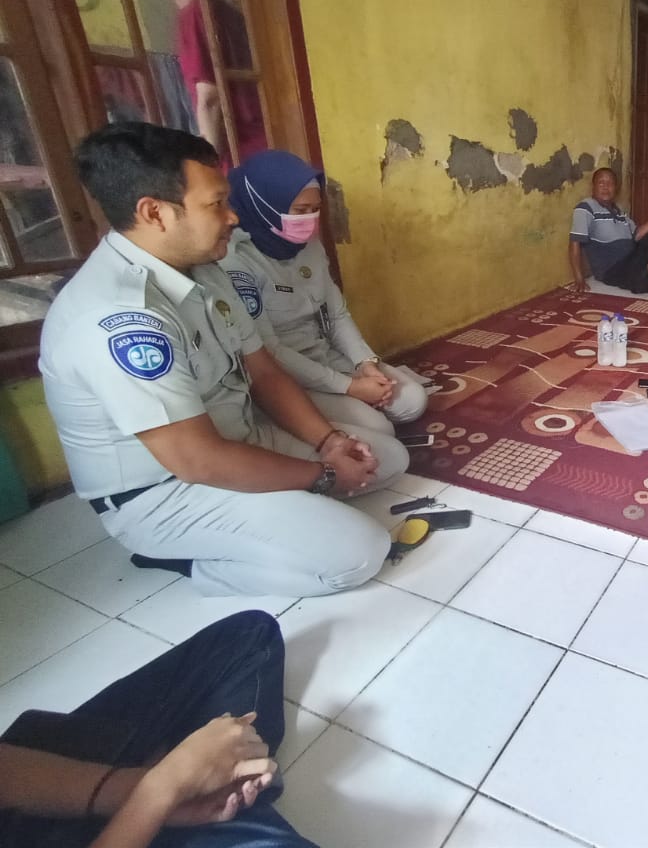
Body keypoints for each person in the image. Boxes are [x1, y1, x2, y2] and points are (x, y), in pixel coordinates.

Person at [39, 122, 407, 597]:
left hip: (238, 437)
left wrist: (331, 442)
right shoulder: (119, 318)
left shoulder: (204, 269)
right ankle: (189, 563)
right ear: (155, 213)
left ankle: (289, 508)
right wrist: (325, 475)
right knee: (359, 552)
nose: (232, 217)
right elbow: (197, 459)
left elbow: (264, 370)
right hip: (165, 490)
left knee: (386, 460)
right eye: (216, 204)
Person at [0, 611, 316, 848]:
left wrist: (138, 787)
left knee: (250, 635)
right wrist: (160, 791)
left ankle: (214, 782)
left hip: (47, 787)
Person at [222, 150, 427, 428]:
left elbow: (337, 314)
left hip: (326, 355)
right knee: (378, 426)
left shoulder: (309, 244)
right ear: (265, 205)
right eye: (300, 211)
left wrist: (365, 364)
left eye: (315, 209)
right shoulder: (237, 260)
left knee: (413, 400)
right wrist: (348, 387)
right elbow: (270, 352)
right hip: (284, 375)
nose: (309, 219)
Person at [129, 0, 266, 165]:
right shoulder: (218, 10)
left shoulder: (195, 15)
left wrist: (207, 166)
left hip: (241, 153)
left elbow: (211, 99)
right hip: (259, 146)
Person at [568, 167, 648, 294]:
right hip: (611, 268)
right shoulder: (585, 207)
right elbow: (575, 242)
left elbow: (637, 235)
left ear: (615, 188)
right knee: (647, 285)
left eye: (610, 183)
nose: (606, 187)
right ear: (593, 186)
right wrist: (579, 278)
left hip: (632, 257)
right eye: (601, 183)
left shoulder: (619, 210)